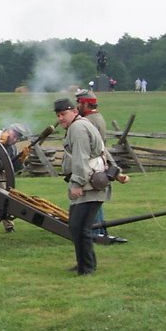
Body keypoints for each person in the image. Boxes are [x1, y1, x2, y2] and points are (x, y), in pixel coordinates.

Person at [54, 97, 109, 275]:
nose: (61, 118)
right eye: (58, 115)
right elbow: (102, 150)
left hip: (88, 184)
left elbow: (81, 157)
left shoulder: (78, 128)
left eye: (63, 114)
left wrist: (77, 184)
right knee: (76, 226)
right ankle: (84, 264)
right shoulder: (80, 125)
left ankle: (87, 268)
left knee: (80, 227)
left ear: (74, 111)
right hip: (89, 181)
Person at [75, 89, 128, 243]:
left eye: (78, 103)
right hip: (97, 164)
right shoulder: (97, 117)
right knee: (94, 201)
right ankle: (99, 230)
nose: (76, 106)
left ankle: (96, 233)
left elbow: (96, 148)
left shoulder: (89, 121)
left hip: (93, 165)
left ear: (85, 104)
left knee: (91, 199)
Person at [0, 124, 30, 232]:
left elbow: (12, 169)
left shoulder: (12, 149)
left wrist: (21, 160)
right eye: (15, 135)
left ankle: (9, 225)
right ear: (8, 130)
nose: (15, 139)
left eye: (18, 138)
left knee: (3, 198)